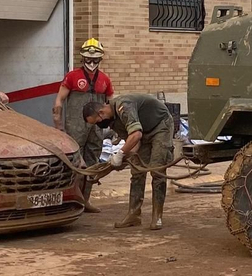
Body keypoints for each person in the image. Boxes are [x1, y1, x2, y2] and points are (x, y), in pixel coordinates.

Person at [83, 93, 174, 230]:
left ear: (101, 112)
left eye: (96, 121)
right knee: (136, 171)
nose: (98, 125)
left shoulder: (123, 106)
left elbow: (136, 134)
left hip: (160, 126)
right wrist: (122, 159)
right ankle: (134, 215)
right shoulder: (113, 121)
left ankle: (157, 216)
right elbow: (134, 144)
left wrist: (120, 154)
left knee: (157, 170)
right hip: (143, 133)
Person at [52, 38, 114, 213]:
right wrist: (58, 125)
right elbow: (59, 99)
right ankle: (70, 200)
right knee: (74, 163)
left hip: (96, 128)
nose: (92, 63)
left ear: (100, 60)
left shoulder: (105, 79)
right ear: (82, 59)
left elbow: (111, 104)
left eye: (95, 60)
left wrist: (115, 126)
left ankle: (85, 200)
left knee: (92, 163)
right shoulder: (72, 77)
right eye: (88, 59)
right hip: (75, 127)